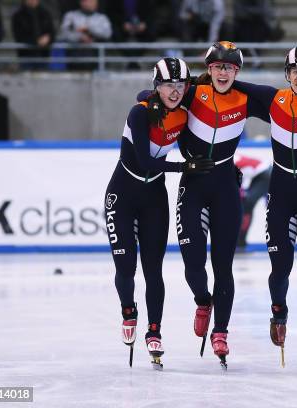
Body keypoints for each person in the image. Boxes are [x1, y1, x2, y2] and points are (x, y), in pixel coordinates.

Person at [229, 46, 297, 368]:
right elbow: (228, 81)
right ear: (286, 74)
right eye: (294, 70)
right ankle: (278, 310)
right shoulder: (273, 99)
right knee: (280, 267)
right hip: (279, 193)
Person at [105, 57, 214, 370]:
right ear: (158, 86)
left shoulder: (182, 114)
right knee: (126, 269)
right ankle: (129, 310)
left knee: (154, 270)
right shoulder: (139, 113)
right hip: (122, 194)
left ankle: (154, 330)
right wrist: (184, 167)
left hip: (154, 197)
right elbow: (144, 160)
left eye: (180, 85)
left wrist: (221, 168)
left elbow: (200, 140)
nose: (175, 90)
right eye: (168, 84)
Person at [171, 41, 268, 368]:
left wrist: (239, 84)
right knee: (192, 260)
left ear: (237, 72)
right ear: (208, 69)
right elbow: (150, 94)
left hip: (225, 185)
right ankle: (203, 301)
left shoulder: (244, 98)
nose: (223, 72)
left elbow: (283, 101)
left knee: (223, 266)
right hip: (194, 184)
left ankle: (221, 331)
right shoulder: (191, 93)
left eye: (230, 67)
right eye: (217, 67)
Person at [58, 0, 112, 70]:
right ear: (81, 2)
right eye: (88, 1)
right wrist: (79, 37)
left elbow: (108, 34)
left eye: (94, 1)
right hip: (74, 58)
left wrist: (90, 30)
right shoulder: (71, 16)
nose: (92, 4)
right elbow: (62, 34)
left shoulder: (102, 18)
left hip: (96, 58)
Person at [234, 153, 271, 248]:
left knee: (247, 204)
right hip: (262, 173)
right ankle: (241, 240)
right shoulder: (234, 160)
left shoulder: (233, 163)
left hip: (265, 174)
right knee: (246, 205)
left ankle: (241, 241)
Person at [106, 0, 157, 69]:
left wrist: (144, 24)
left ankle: (134, 61)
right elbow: (111, 13)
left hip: (142, 28)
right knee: (114, 32)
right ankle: (132, 61)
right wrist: (123, 24)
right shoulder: (114, 2)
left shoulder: (147, 2)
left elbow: (151, 13)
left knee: (152, 30)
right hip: (122, 28)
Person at [11, 0, 56, 70]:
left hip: (43, 56)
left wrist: (48, 38)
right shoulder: (18, 16)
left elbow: (52, 32)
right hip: (26, 58)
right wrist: (36, 42)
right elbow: (19, 37)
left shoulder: (46, 13)